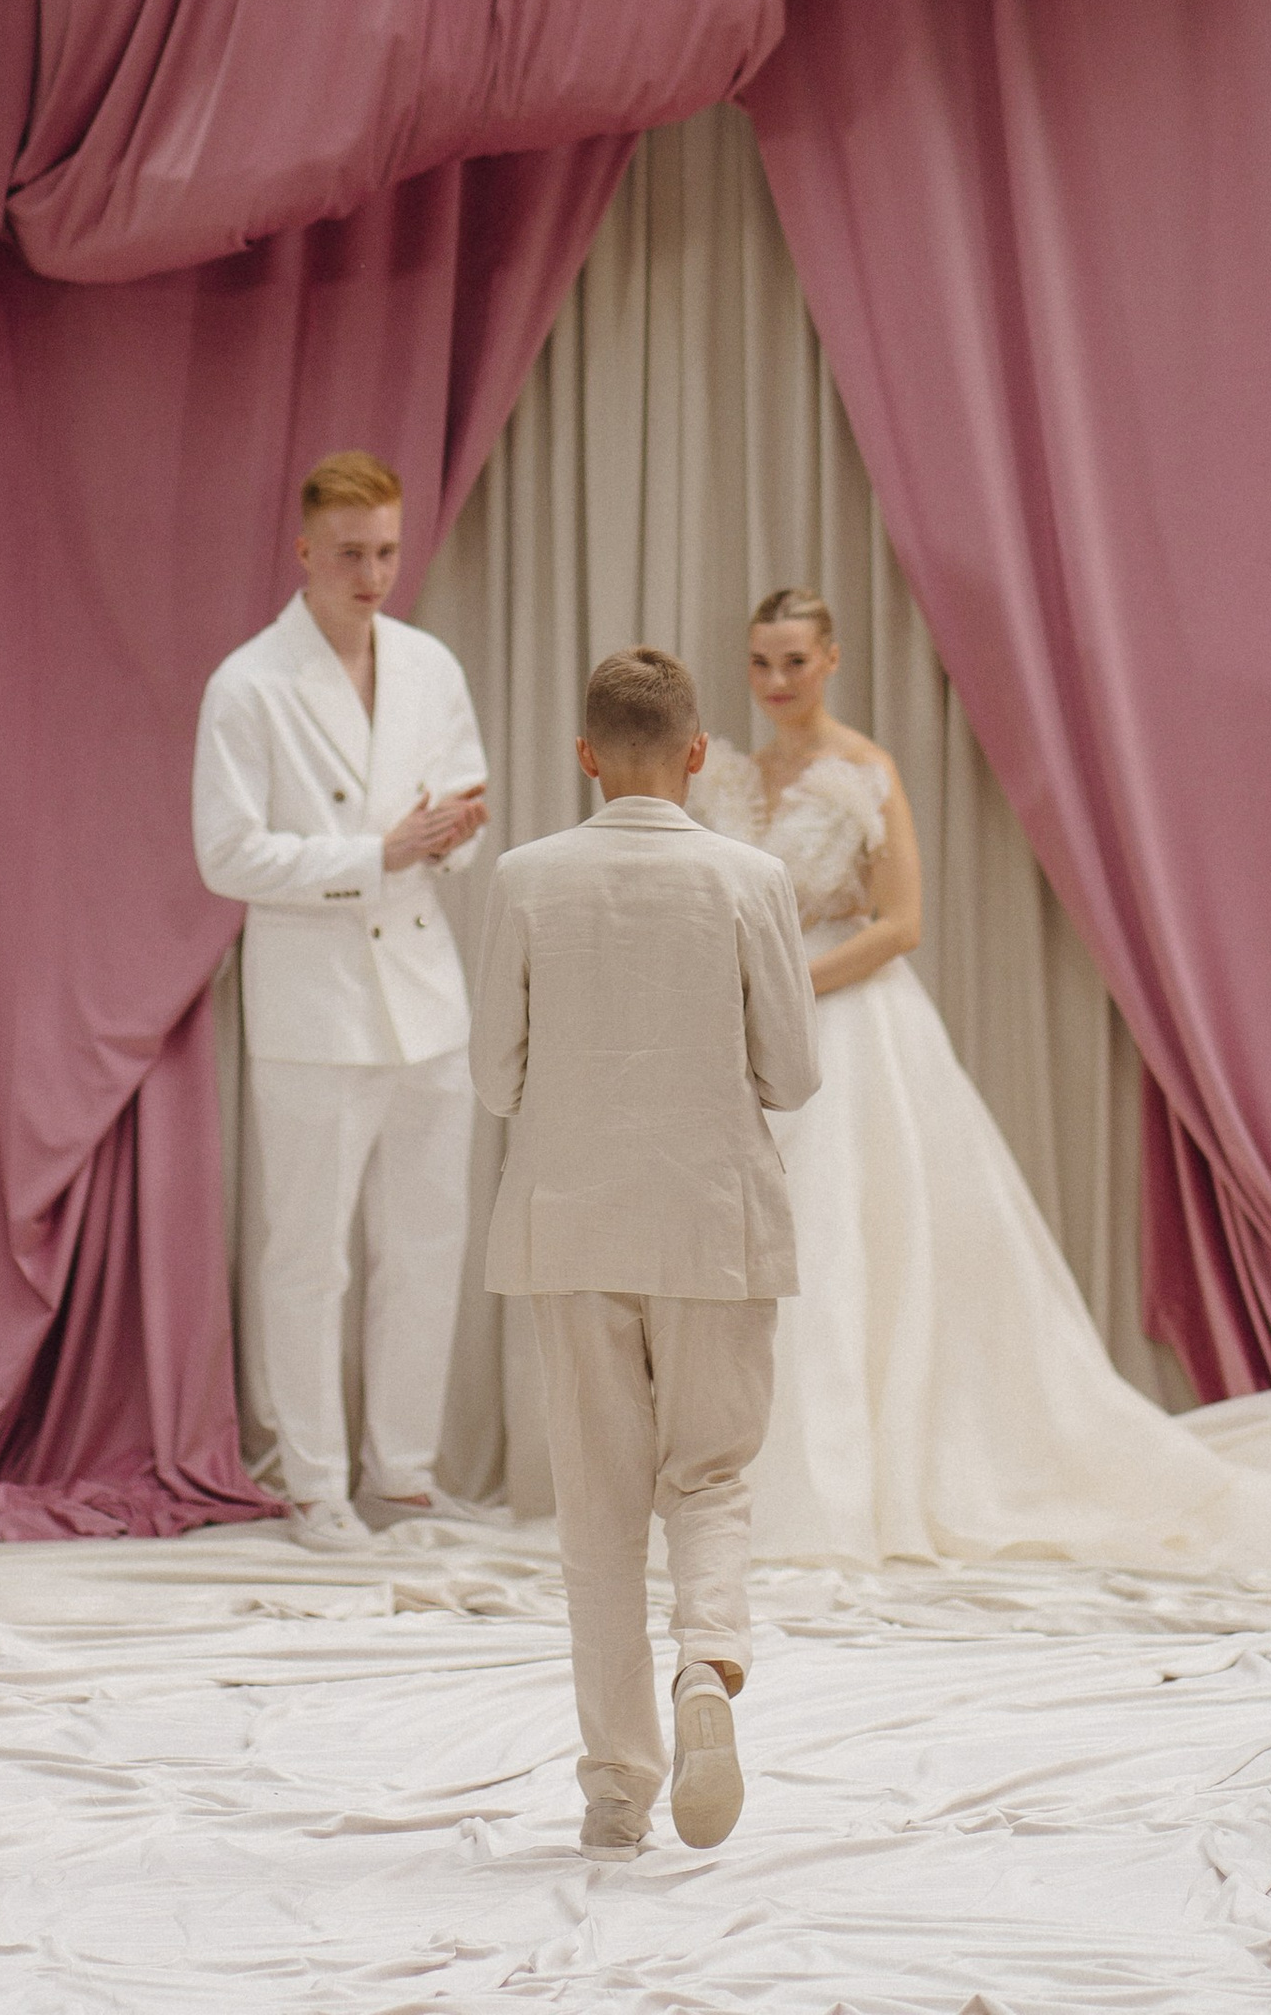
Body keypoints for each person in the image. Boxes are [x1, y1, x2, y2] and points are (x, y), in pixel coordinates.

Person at [687, 590, 1271, 1568]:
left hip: (849, 1026)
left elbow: (900, 925)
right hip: (758, 1032)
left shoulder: (864, 771)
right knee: (776, 1250)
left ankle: (852, 1484)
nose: (774, 684)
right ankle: (767, 1479)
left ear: (832, 659)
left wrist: (790, 980)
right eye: (761, 663)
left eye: (793, 661)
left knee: (849, 1239)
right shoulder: (736, 778)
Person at [469, 646, 819, 1855]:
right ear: (695, 753)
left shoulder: (522, 878)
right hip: (715, 1223)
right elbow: (795, 1074)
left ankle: (618, 1788)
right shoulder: (748, 877)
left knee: (599, 1515)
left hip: (571, 1224)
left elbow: (492, 1078)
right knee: (710, 1481)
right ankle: (708, 1671)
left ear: (583, 757)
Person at [193, 449, 490, 1549]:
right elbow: (225, 854)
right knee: (308, 1251)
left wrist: (449, 840)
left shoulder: (427, 666)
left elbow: (459, 799)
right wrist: (375, 851)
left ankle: (403, 1475)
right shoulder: (249, 684)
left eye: (388, 552)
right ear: (306, 550)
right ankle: (314, 1481)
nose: (373, 574)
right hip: (314, 1004)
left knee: (425, 1239)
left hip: (422, 991)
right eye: (353, 553)